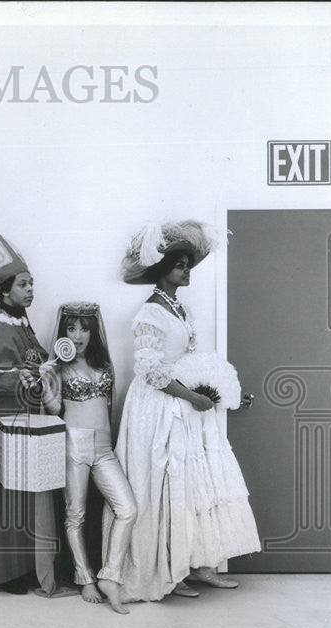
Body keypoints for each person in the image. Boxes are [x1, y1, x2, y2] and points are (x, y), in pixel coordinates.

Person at [107, 220, 261, 601]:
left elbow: (189, 361)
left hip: (184, 404)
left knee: (194, 484)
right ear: (162, 269)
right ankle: (170, 570)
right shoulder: (150, 315)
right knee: (167, 485)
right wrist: (193, 397)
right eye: (179, 264)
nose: (186, 270)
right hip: (159, 407)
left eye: (188, 264)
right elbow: (151, 371)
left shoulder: (182, 310)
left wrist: (222, 394)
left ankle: (198, 564)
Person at [0, 234, 61, 596]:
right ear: (4, 293)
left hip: (27, 421)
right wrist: (14, 376)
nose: (31, 289)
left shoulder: (22, 324)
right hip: (3, 425)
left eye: (32, 282)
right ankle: (6, 573)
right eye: (23, 284)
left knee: (25, 497)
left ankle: (25, 566)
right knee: (7, 496)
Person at [39, 302, 138, 614]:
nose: (78, 334)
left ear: (93, 330)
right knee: (75, 515)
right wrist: (47, 382)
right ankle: (85, 579)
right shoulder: (59, 367)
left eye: (83, 327)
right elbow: (55, 411)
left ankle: (110, 575)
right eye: (71, 328)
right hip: (75, 444)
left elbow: (108, 408)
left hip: (104, 447)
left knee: (128, 508)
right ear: (63, 331)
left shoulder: (104, 365)